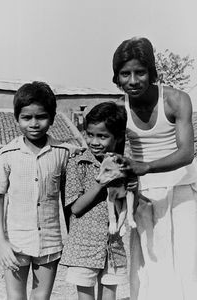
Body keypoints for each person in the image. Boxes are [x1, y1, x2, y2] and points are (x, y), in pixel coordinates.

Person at [112, 36, 197, 300]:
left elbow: (186, 153)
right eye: (125, 74)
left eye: (141, 72)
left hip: (182, 188)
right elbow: (114, 159)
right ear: (116, 77)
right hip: (145, 193)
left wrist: (145, 166)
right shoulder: (120, 110)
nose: (133, 81)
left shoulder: (175, 100)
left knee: (185, 259)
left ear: (152, 72)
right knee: (149, 261)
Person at [0, 81, 83, 300]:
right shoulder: (7, 154)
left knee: (41, 297)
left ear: (51, 118)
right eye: (26, 117)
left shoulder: (64, 153)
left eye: (40, 117)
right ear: (17, 118)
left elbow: (69, 197)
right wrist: (2, 243)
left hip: (50, 242)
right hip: (15, 243)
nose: (34, 123)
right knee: (15, 297)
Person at [60, 102, 131, 300]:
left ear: (117, 138)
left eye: (102, 136)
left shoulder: (124, 165)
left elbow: (128, 200)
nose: (94, 141)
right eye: (90, 134)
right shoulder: (77, 163)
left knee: (109, 296)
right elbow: (76, 208)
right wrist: (102, 181)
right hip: (84, 245)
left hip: (113, 245)